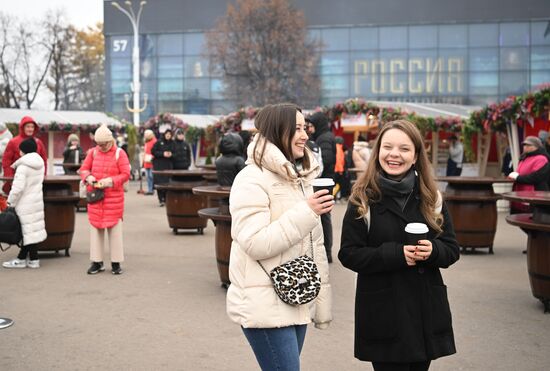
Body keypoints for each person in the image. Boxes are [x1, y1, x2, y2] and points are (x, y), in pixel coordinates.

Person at [339, 120, 460, 371]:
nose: (394, 154)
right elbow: (349, 254)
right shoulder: (362, 198)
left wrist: (433, 251)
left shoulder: (431, 197)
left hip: (424, 310)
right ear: (378, 152)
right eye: (388, 147)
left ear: (415, 156)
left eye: (404, 149)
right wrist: (396, 254)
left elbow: (451, 249)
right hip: (383, 311)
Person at [227, 103, 333, 370]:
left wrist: (320, 303)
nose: (305, 134)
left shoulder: (298, 177)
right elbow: (255, 242)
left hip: (295, 295)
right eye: (297, 128)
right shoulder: (251, 178)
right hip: (263, 302)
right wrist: (307, 211)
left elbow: (314, 247)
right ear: (277, 131)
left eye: (305, 127)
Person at [79, 125, 130, 275]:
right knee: (95, 231)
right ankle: (97, 262)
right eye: (98, 144)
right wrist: (89, 177)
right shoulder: (93, 152)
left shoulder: (120, 153)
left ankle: (116, 263)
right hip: (96, 197)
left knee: (115, 232)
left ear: (110, 141)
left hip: (113, 198)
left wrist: (110, 181)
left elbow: (126, 174)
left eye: (103, 144)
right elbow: (84, 169)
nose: (101, 147)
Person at [2, 138, 47, 269]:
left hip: (24, 203)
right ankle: (34, 259)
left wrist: (10, 201)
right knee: (30, 231)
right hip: (36, 201)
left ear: (23, 151)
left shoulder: (23, 166)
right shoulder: (39, 164)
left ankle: (22, 259)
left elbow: (17, 188)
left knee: (26, 231)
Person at [307, 111, 336, 263]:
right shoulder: (325, 136)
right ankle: (326, 250)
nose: (309, 129)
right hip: (326, 180)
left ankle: (327, 251)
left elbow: (327, 159)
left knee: (324, 216)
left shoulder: (323, 138)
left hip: (323, 182)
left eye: (311, 126)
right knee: (324, 216)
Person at [2, 116, 47, 195]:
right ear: (22, 127)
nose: (30, 129)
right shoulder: (13, 142)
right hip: (17, 180)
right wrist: (9, 178)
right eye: (28, 127)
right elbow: (6, 161)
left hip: (34, 181)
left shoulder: (38, 142)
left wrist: (43, 176)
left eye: (32, 127)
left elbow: (44, 160)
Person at [508, 136, 550, 214]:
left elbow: (536, 177)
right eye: (524, 145)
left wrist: (518, 177)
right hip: (521, 191)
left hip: (535, 194)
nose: (525, 147)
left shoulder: (541, 158)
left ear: (536, 146)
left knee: (530, 219)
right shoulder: (524, 157)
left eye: (528, 145)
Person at [152, 129, 175, 206]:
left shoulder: (173, 143)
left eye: (170, 134)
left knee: (167, 183)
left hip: (168, 166)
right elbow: (153, 151)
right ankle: (161, 199)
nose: (168, 135)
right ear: (164, 134)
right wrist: (162, 154)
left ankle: (166, 199)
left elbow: (176, 153)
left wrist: (171, 154)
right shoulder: (159, 142)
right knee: (160, 183)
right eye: (167, 134)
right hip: (159, 166)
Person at [142, 129, 157, 195]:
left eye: (146, 134)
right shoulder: (146, 141)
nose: (145, 136)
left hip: (151, 161)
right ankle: (150, 189)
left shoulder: (154, 141)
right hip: (146, 161)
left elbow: (155, 151)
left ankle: (152, 189)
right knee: (148, 177)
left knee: (151, 176)